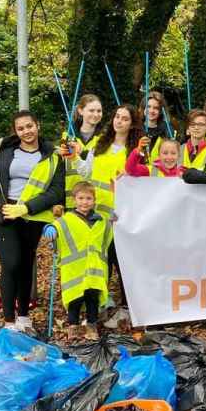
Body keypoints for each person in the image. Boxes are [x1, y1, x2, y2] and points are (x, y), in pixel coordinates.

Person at [0, 110, 65, 331]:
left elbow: (56, 192)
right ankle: (10, 322)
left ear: (38, 125)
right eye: (21, 128)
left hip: (32, 216)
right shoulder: (5, 152)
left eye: (29, 126)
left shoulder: (53, 156)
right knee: (11, 263)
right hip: (4, 213)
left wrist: (25, 208)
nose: (26, 131)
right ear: (15, 132)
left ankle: (24, 318)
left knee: (26, 265)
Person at [74, 103, 143, 309]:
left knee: (121, 259)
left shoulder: (134, 150)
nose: (119, 121)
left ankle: (129, 304)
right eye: (117, 117)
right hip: (95, 211)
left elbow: (141, 179)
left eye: (124, 118)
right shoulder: (100, 144)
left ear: (132, 124)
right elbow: (86, 172)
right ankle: (101, 304)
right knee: (100, 257)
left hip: (120, 213)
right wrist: (75, 158)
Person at [44, 181, 108, 340]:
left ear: (94, 201)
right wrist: (50, 229)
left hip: (93, 269)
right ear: (74, 200)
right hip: (74, 269)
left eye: (88, 198)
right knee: (75, 298)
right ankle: (73, 326)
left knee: (92, 297)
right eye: (80, 198)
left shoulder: (100, 221)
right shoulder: (67, 219)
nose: (84, 202)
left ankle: (91, 325)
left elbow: (109, 235)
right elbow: (55, 226)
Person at [61, 94, 104, 208]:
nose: (96, 114)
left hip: (94, 200)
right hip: (71, 199)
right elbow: (60, 161)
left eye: (99, 111)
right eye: (91, 110)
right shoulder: (67, 136)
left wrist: (82, 154)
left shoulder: (105, 139)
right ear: (80, 111)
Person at [142, 90, 174, 162]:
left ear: (160, 112)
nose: (151, 110)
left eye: (156, 108)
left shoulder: (167, 129)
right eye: (148, 106)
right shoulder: (137, 127)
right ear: (144, 108)